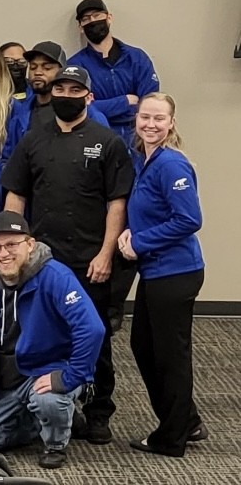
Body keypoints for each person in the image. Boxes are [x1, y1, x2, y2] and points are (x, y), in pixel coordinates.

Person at [2, 64, 133, 445]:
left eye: (74, 90)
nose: (65, 95)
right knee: (36, 333)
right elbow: (16, 196)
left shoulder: (107, 142)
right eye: (60, 89)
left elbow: (117, 203)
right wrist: (13, 248)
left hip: (89, 259)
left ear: (88, 97)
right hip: (39, 260)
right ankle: (53, 404)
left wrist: (106, 253)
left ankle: (98, 411)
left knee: (95, 336)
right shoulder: (33, 140)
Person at [0, 212, 106, 470]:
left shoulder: (56, 276)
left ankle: (55, 443)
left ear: (29, 244)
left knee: (48, 400)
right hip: (5, 378)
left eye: (11, 244)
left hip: (47, 369)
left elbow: (92, 329)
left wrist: (71, 377)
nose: (3, 253)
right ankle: (53, 418)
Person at [118, 93, 206, 457]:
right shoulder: (145, 160)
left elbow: (189, 219)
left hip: (176, 272)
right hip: (157, 271)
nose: (151, 125)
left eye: (159, 119)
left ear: (171, 123)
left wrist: (140, 241)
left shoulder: (171, 164)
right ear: (136, 120)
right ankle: (187, 421)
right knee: (145, 346)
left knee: (170, 356)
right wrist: (129, 231)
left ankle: (172, 438)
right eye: (145, 118)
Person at [67, 0, 160, 146]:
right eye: (86, 19)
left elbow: (150, 105)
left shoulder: (137, 58)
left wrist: (102, 107)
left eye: (97, 16)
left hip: (139, 142)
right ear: (81, 28)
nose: (92, 21)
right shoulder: (75, 67)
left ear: (109, 18)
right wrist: (124, 102)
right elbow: (79, 108)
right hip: (96, 142)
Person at [4, 41, 110, 160]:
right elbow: (8, 158)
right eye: (33, 67)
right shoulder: (21, 113)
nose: (38, 72)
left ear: (61, 71)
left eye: (47, 67)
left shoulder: (88, 114)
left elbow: (108, 159)